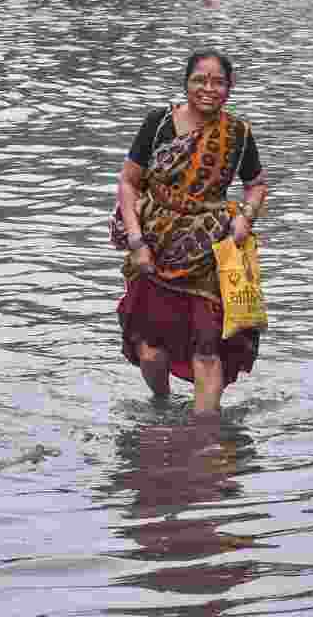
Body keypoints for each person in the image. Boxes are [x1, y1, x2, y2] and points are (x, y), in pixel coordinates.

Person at [113, 51, 268, 417]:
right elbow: (128, 182)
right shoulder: (159, 123)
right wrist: (136, 241)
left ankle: (205, 433)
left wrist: (245, 218)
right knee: (150, 348)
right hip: (155, 244)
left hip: (209, 249)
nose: (208, 89)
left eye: (218, 82)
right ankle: (162, 405)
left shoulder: (238, 134)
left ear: (230, 89)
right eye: (200, 80)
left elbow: (256, 185)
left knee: (208, 343)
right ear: (186, 83)